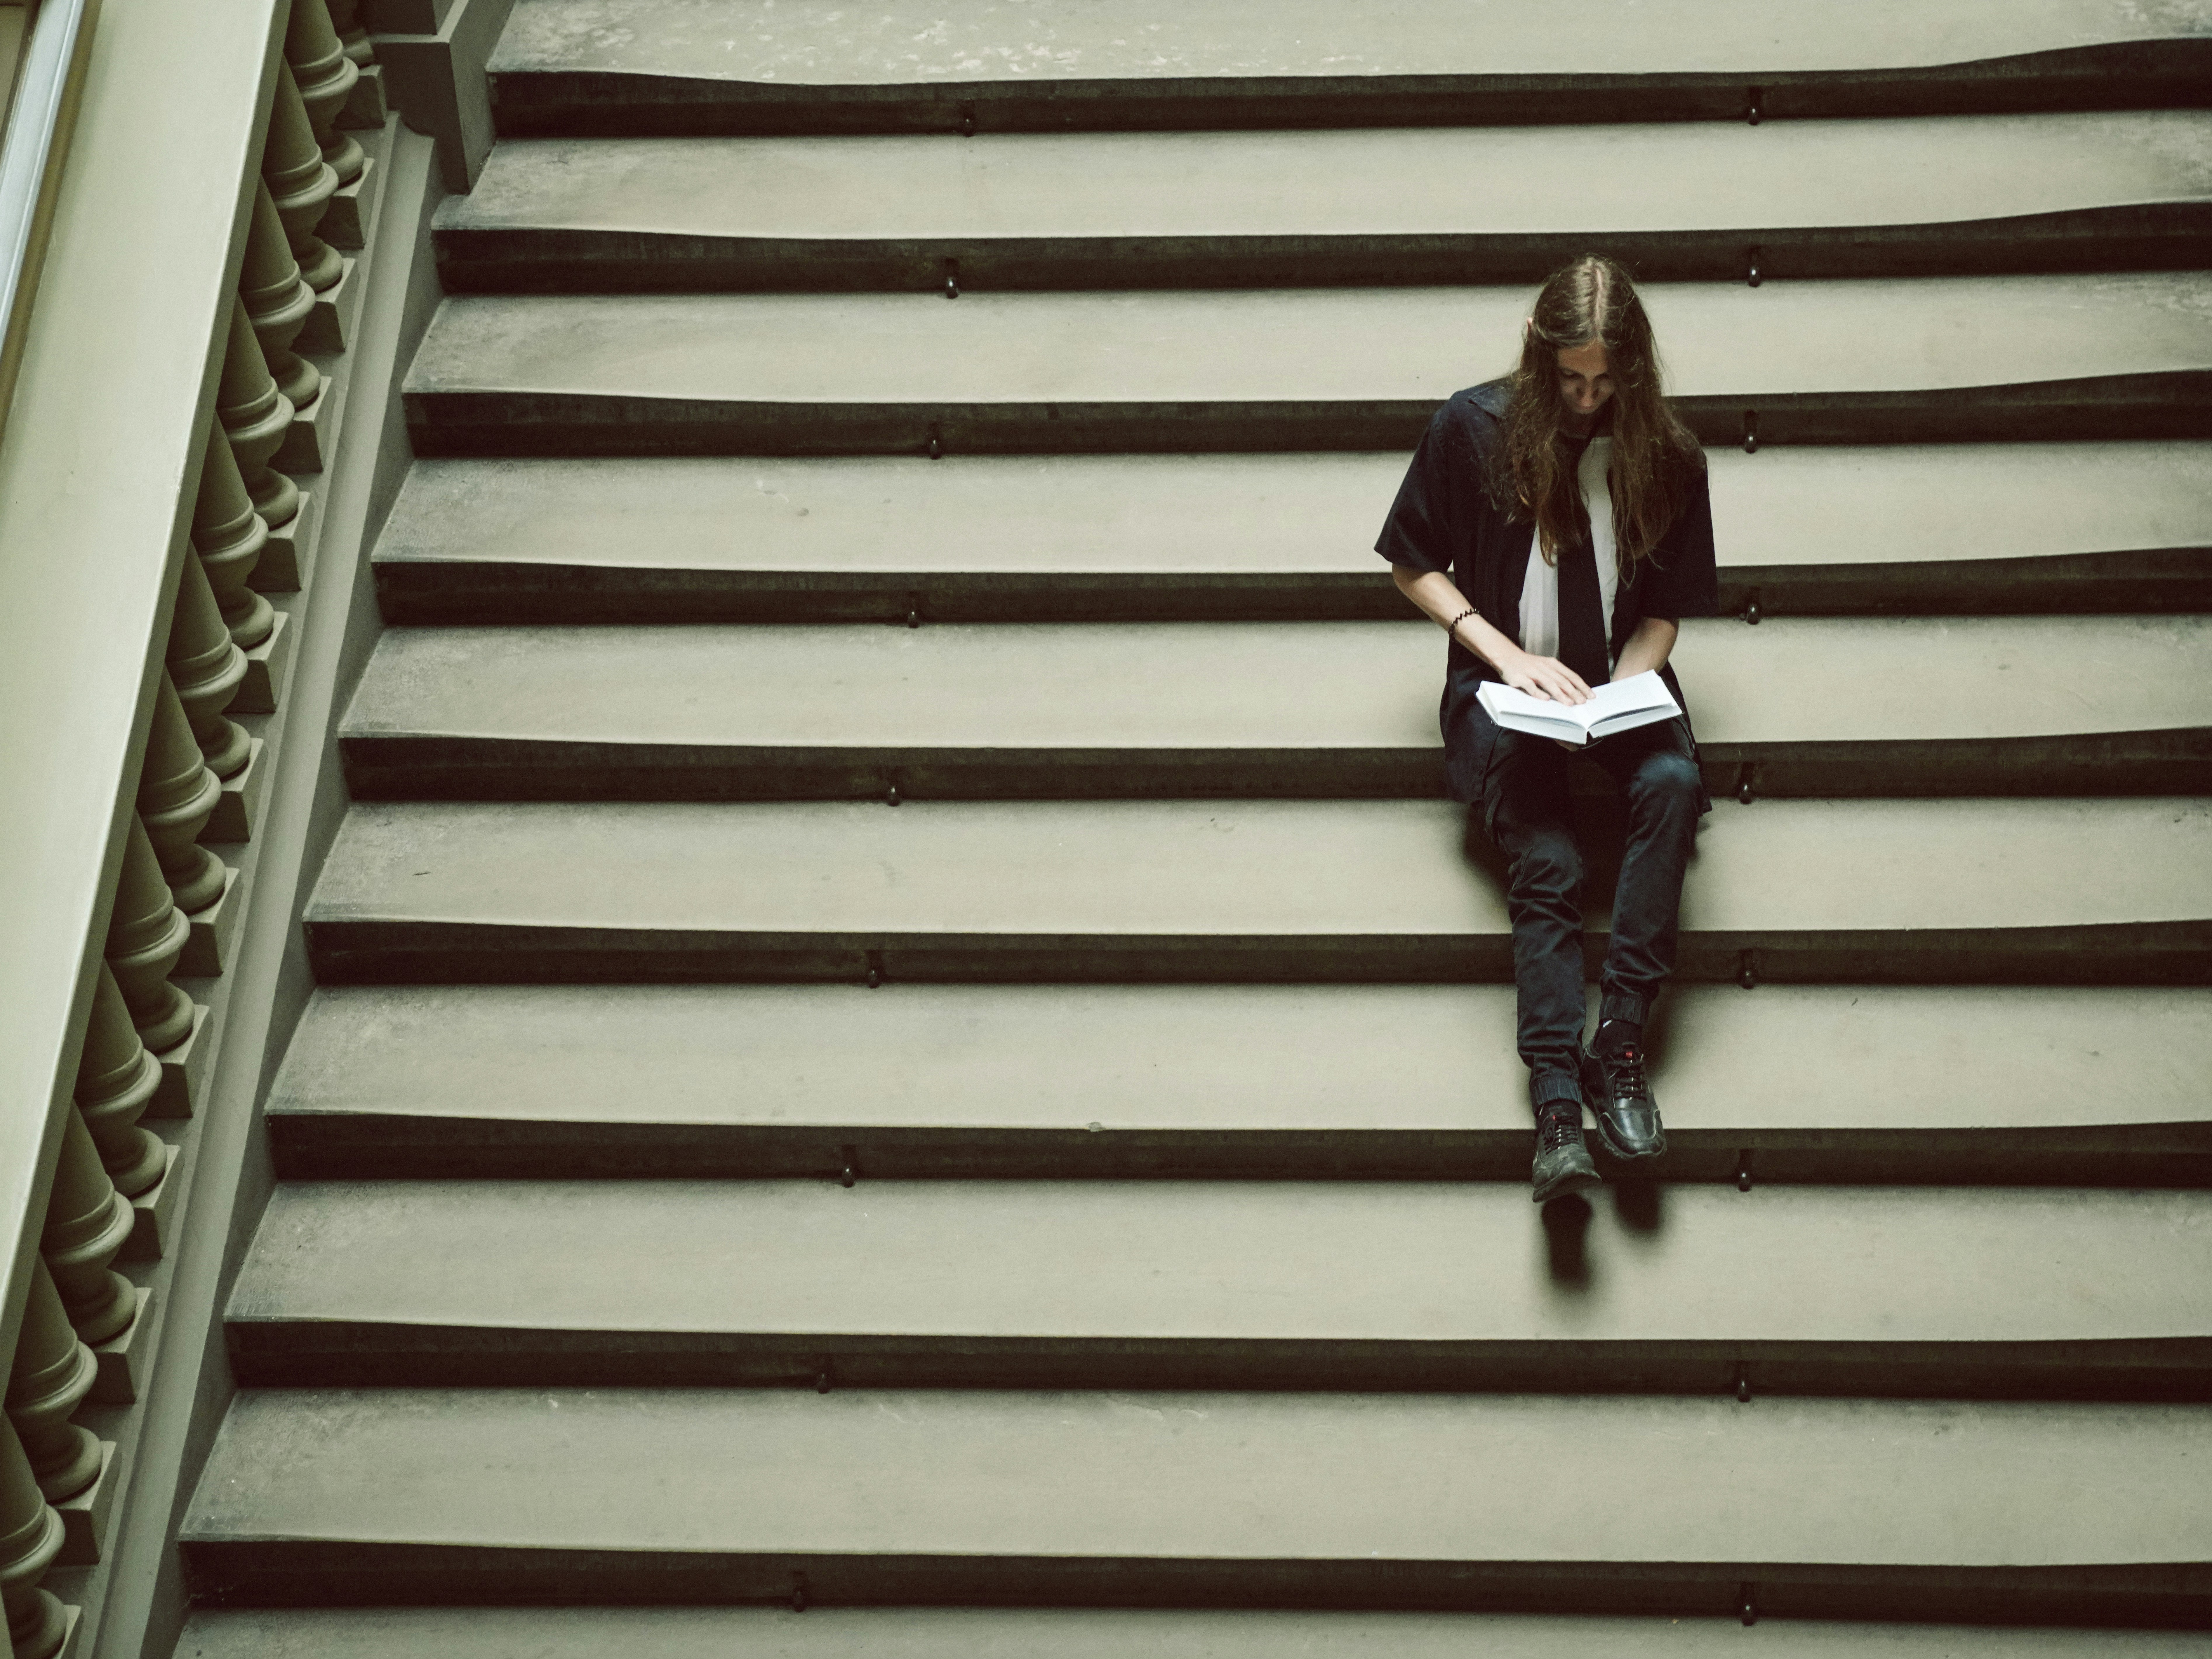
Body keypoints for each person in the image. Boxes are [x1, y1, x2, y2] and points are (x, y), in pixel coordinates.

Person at [1375, 254, 1720, 1204]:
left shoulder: (1671, 456)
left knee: (1674, 785)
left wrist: (1619, 697)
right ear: (1538, 357)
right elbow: (1411, 563)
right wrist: (1502, 654)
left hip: (1619, 681)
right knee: (1553, 861)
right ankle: (1558, 1105)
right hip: (1502, 690)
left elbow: (1663, 612)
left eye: (1607, 382)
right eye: (1570, 378)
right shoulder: (1472, 425)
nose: (1586, 399)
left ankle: (1621, 1045)